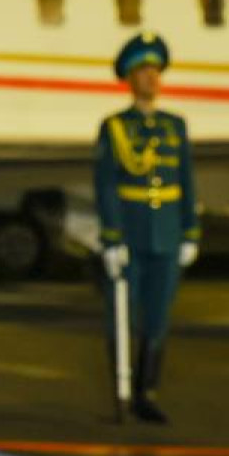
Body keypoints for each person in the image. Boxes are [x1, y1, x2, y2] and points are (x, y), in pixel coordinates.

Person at [93, 32, 200, 424]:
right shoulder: (115, 127)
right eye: (143, 71)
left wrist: (189, 230)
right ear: (130, 79)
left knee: (157, 318)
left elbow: (186, 181)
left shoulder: (175, 126)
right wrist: (111, 237)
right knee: (122, 319)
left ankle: (146, 393)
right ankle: (121, 392)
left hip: (166, 236)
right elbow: (106, 185)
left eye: (156, 71)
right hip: (131, 235)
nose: (151, 78)